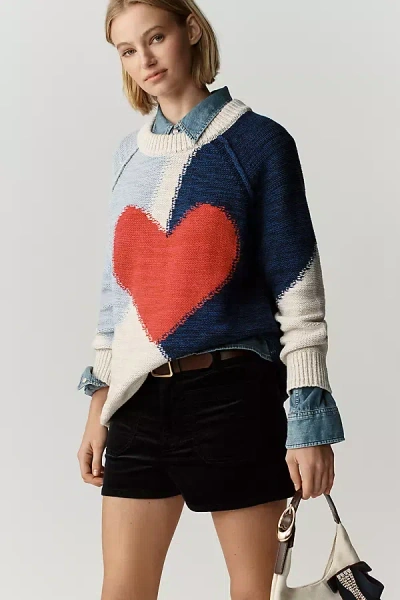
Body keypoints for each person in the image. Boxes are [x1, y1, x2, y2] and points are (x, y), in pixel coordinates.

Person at [76, 1, 345, 598]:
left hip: (233, 397)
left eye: (156, 38)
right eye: (127, 50)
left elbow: (300, 292)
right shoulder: (128, 154)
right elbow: (118, 295)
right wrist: (98, 406)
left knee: (253, 592)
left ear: (191, 30)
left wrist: (307, 423)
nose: (144, 60)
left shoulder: (259, 142)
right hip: (138, 400)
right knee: (122, 590)